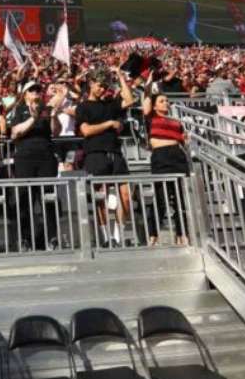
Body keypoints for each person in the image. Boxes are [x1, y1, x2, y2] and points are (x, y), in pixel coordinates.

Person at [75, 65, 135, 246]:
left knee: (125, 196)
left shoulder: (110, 103)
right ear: (91, 84)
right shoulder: (83, 107)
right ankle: (105, 237)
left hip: (115, 153)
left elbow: (129, 100)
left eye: (105, 86)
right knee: (100, 197)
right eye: (100, 85)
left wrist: (119, 75)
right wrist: (109, 123)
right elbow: (86, 130)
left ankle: (118, 236)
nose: (103, 89)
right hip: (95, 154)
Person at [10, 80, 63, 250]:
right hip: (25, 158)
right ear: (25, 94)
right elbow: (15, 132)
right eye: (32, 90)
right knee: (25, 200)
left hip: (46, 158)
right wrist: (33, 118)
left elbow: (56, 131)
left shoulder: (47, 110)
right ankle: (25, 238)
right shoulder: (19, 110)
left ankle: (52, 237)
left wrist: (54, 117)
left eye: (38, 90)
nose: (36, 93)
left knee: (48, 198)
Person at [142, 93, 189, 245]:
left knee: (180, 200)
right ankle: (153, 235)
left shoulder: (176, 122)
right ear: (154, 106)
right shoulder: (150, 118)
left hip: (178, 159)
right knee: (160, 199)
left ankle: (182, 234)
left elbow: (184, 142)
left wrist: (184, 141)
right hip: (161, 159)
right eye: (161, 101)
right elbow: (154, 143)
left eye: (167, 101)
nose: (166, 103)